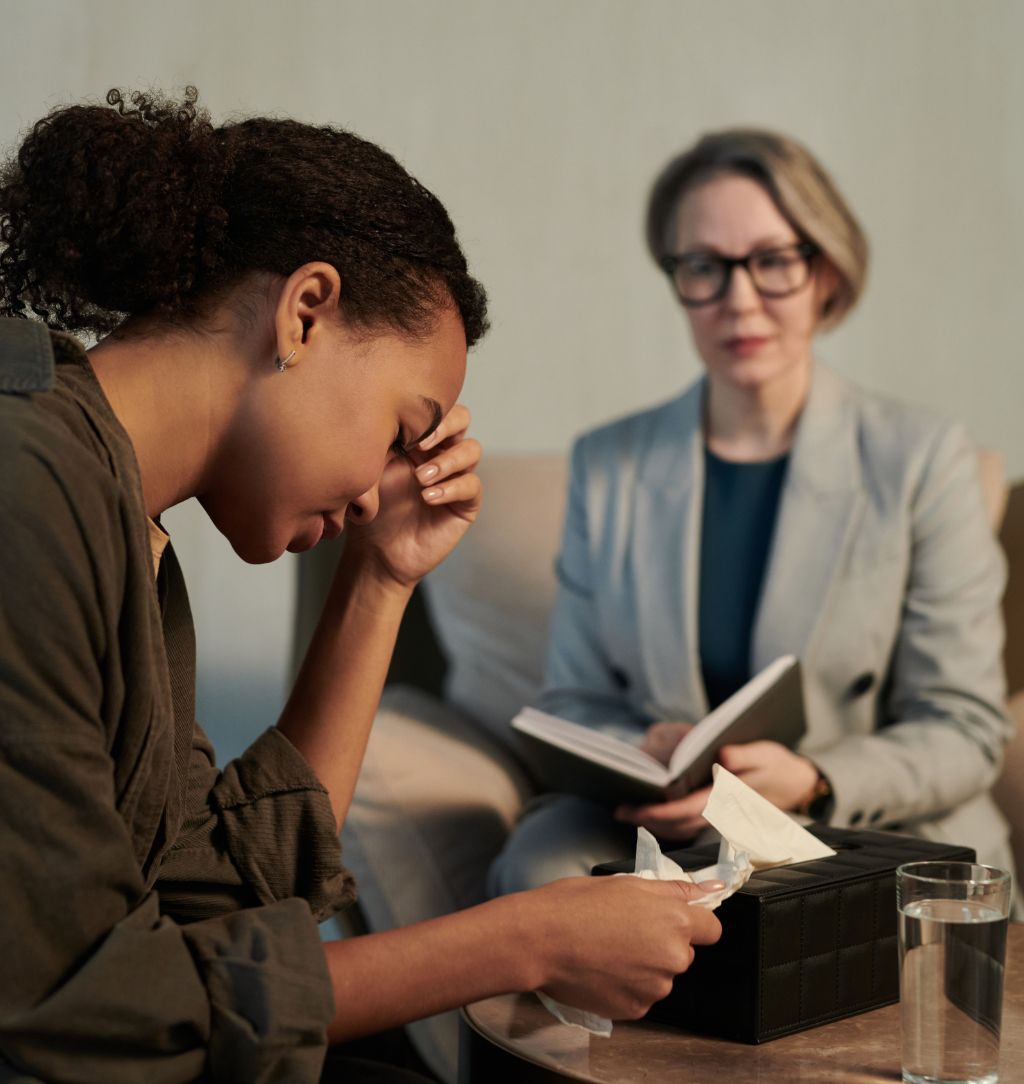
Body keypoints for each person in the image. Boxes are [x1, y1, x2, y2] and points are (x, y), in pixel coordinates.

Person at [0, 89, 723, 1084]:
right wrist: (521, 942)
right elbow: (77, 1003)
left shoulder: (122, 519)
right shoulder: (25, 486)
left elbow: (222, 903)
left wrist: (380, 575)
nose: (387, 477)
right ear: (305, 311)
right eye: (401, 427)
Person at [489, 128, 1016, 897]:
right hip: (670, 825)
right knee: (535, 868)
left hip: (860, 822)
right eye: (705, 266)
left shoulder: (923, 457)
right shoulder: (609, 465)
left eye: (772, 261)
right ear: (677, 279)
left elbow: (965, 725)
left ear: (824, 271)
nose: (739, 300)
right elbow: (574, 702)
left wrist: (815, 776)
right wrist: (645, 751)